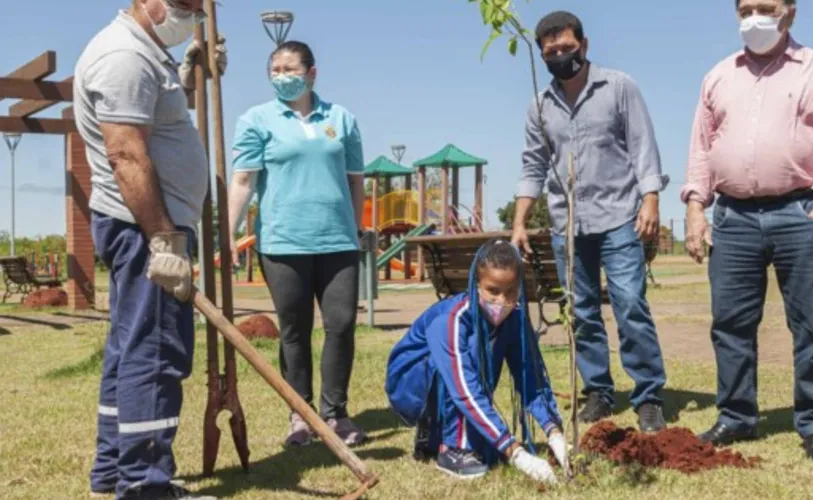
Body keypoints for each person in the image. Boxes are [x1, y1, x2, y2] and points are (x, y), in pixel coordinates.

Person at [680, 0, 813, 462]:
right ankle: (736, 416)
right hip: (733, 217)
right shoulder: (718, 75)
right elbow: (702, 147)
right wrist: (696, 207)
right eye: (745, 9)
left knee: (811, 323)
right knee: (730, 324)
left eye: (765, 7)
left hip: (799, 210)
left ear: (790, 13)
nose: (754, 17)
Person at [73, 0, 224, 498]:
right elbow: (126, 155)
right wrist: (164, 239)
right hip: (145, 228)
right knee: (156, 352)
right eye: (185, 5)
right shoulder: (125, 57)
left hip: (144, 226)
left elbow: (154, 126)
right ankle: (145, 483)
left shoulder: (145, 53)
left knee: (130, 349)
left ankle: (114, 468)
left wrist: (190, 73)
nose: (193, 15)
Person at [512, 10, 668, 432]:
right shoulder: (540, 107)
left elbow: (642, 146)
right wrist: (520, 221)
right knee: (580, 312)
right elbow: (534, 165)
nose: (561, 56)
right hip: (569, 226)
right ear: (542, 56)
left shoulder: (618, 87)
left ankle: (649, 395)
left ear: (584, 45)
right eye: (552, 52)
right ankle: (597, 390)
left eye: (568, 48)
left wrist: (650, 199)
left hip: (619, 216)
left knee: (630, 305)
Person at [228, 40, 368, 448]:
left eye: (289, 69)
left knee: (341, 325)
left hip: (337, 240)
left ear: (311, 74)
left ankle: (335, 413)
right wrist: (228, 234)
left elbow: (355, 180)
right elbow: (243, 182)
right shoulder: (256, 119)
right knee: (294, 330)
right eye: (274, 70)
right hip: (284, 241)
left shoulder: (341, 119)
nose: (281, 77)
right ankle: (300, 415)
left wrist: (355, 228)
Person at [385, 240, 566, 484]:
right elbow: (465, 389)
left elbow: (530, 377)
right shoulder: (452, 319)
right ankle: (454, 448)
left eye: (511, 291)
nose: (502, 300)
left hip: (457, 383)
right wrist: (516, 453)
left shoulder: (515, 318)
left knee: (489, 450)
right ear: (476, 284)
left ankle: (433, 438)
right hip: (413, 380)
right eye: (493, 290)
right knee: (464, 364)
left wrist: (553, 431)